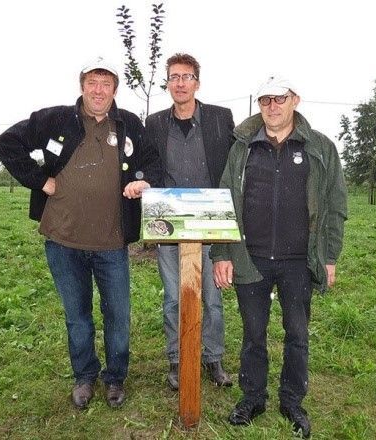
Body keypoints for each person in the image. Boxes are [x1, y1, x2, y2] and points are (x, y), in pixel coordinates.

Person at [0, 57, 160, 410]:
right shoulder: (54, 119)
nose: (99, 91)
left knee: (118, 314)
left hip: (112, 243)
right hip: (63, 240)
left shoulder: (129, 123)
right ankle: (84, 376)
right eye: (92, 83)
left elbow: (151, 159)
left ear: (115, 88)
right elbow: (7, 143)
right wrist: (39, 180)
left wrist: (142, 178)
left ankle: (115, 378)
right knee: (77, 315)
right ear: (81, 85)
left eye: (106, 84)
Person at [210, 75, 347, 438]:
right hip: (250, 258)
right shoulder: (242, 147)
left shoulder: (320, 147)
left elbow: (335, 206)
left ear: (295, 100)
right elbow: (225, 201)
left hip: (299, 262)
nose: (272, 106)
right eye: (265, 100)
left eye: (279, 99)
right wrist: (223, 253)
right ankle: (252, 398)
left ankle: (292, 401)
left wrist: (329, 257)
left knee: (297, 333)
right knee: (253, 334)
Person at [124, 53, 234, 391]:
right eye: (174, 77)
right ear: (168, 83)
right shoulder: (155, 123)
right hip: (169, 224)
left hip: (211, 222)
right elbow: (146, 162)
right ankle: (176, 359)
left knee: (212, 298)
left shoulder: (220, 118)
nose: (180, 83)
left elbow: (232, 164)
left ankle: (212, 357)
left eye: (187, 77)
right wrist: (141, 179)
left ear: (197, 83)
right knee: (173, 297)